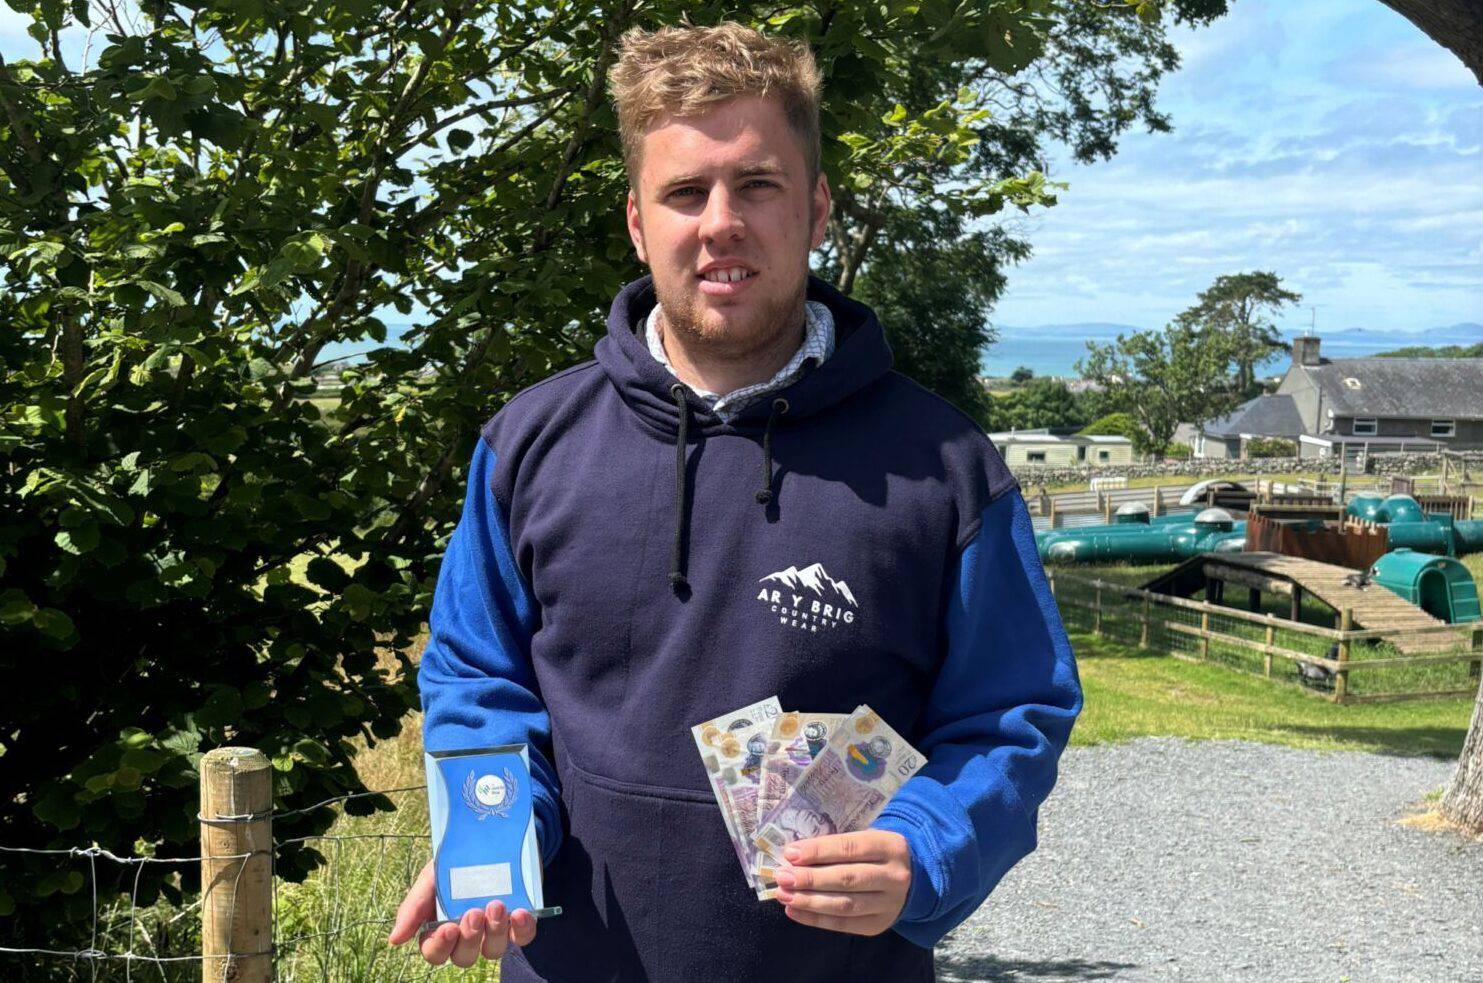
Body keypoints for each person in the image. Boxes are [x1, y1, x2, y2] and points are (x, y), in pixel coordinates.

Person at [387, 21, 1081, 981]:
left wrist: (924, 846)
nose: (721, 222)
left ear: (816, 207)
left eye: (757, 184)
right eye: (684, 192)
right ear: (638, 223)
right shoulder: (528, 444)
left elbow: (1010, 712)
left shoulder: (944, 467)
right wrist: (490, 845)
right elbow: (476, 679)